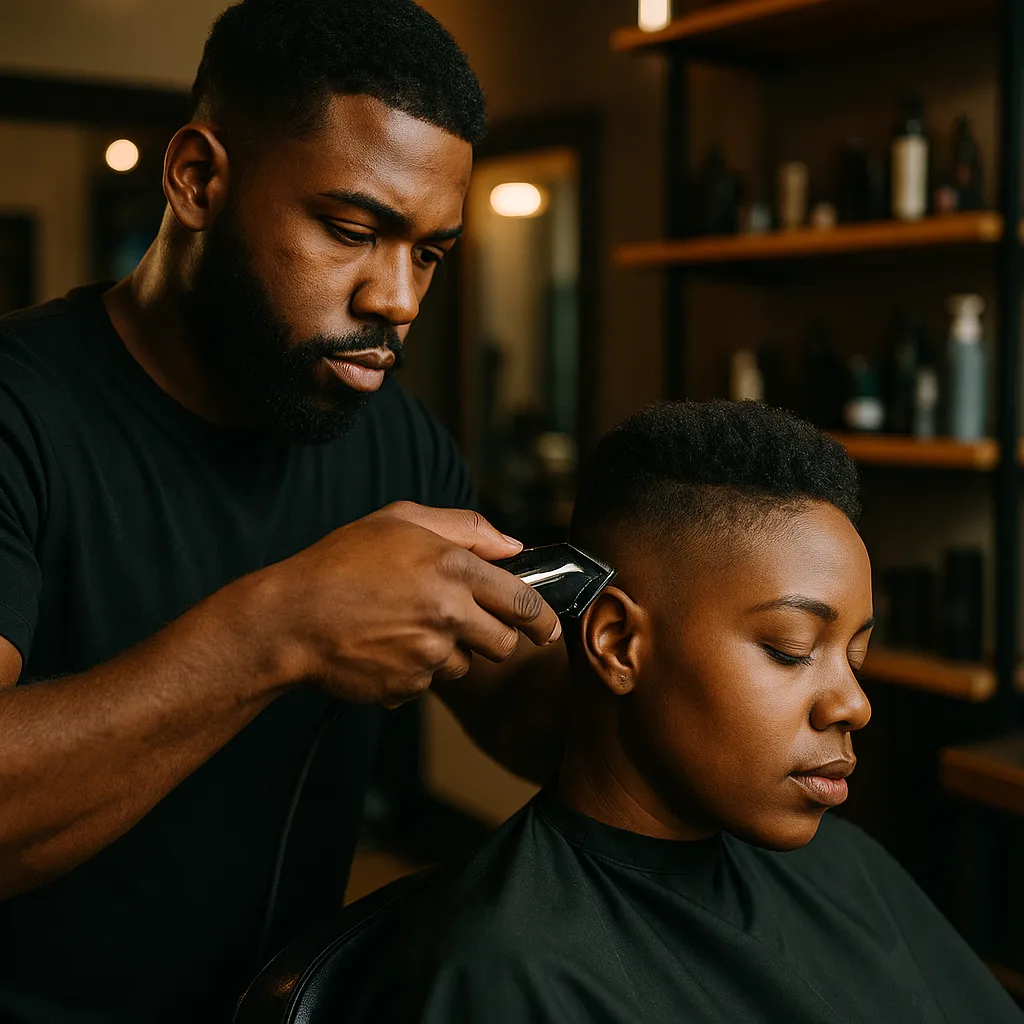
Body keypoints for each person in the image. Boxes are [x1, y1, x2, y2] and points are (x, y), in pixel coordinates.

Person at [0, 2, 568, 1021]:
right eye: (352, 231)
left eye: (430, 254)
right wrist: (281, 629)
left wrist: (699, 659)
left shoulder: (397, 440)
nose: (397, 299)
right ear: (197, 178)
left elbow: (520, 704)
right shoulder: (18, 412)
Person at [346, 401, 1024, 1024]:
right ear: (618, 643)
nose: (854, 704)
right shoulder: (506, 976)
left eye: (856, 656)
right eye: (791, 649)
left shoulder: (846, 867)